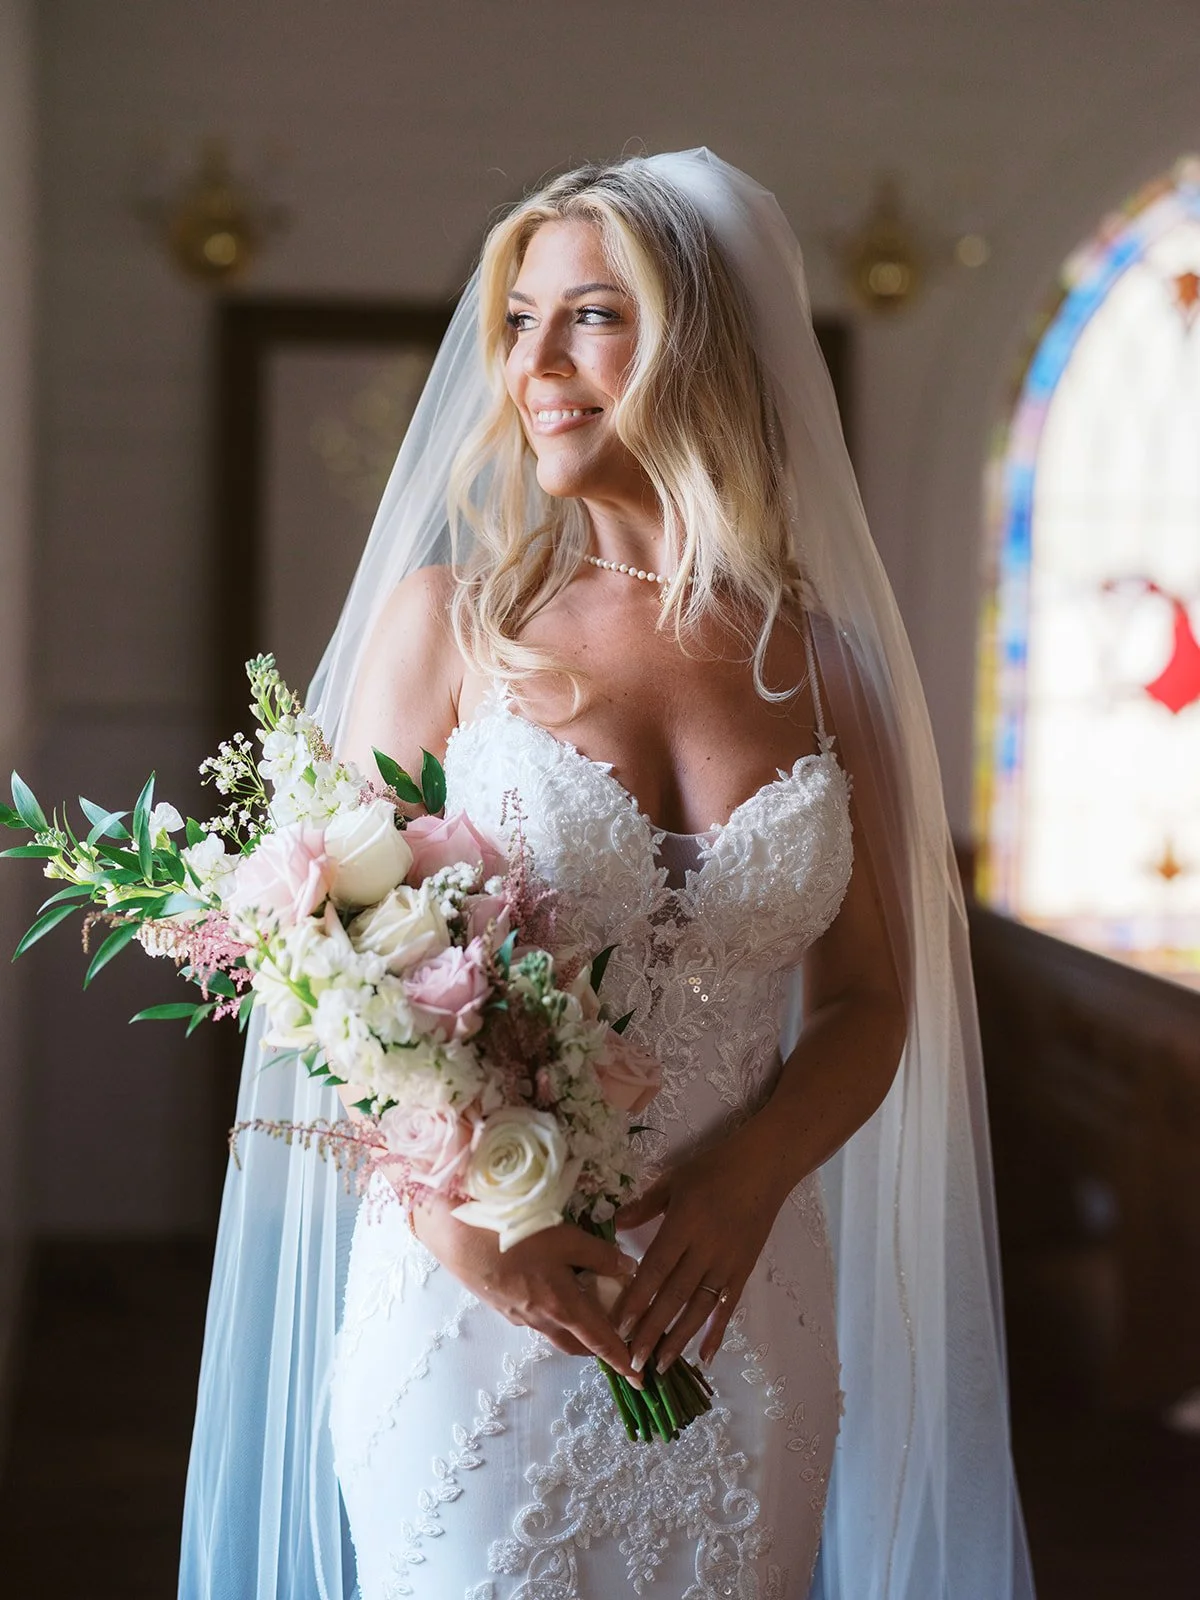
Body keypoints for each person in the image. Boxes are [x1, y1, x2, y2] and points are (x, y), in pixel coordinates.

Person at [179, 150, 1035, 1600]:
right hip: (478, 1312)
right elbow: (337, 967)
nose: (537, 364)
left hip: (742, 1303)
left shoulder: (826, 671)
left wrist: (750, 1177)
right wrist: (475, 1231)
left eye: (593, 317)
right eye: (518, 321)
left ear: (701, 345)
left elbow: (872, 1003)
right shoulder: (453, 624)